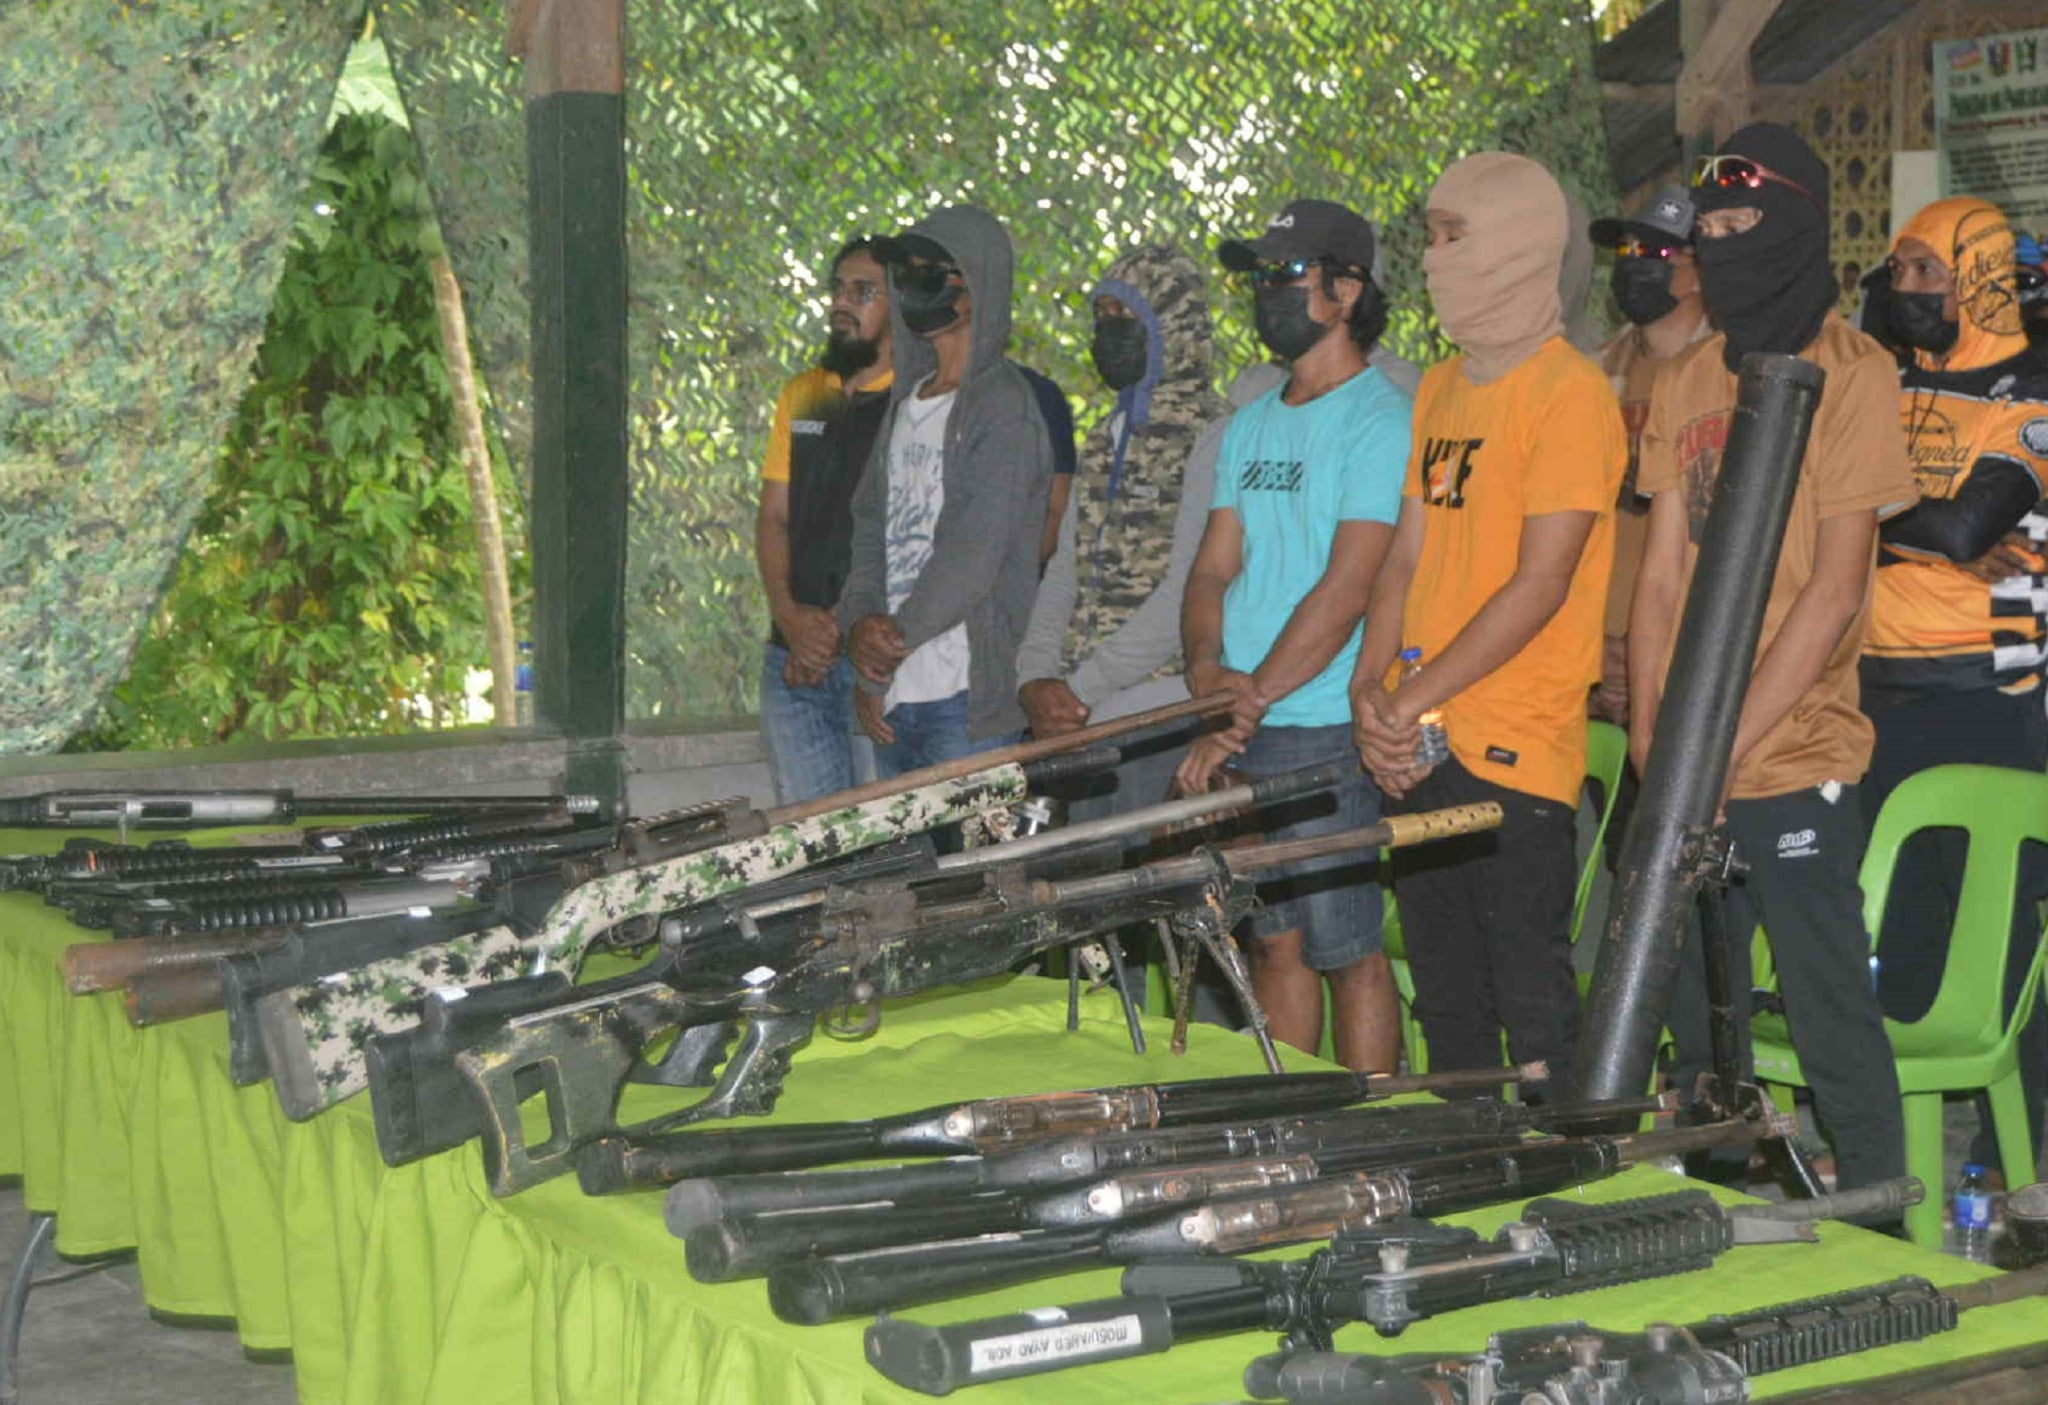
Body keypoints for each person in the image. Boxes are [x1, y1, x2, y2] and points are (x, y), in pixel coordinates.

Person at [1631, 123, 1913, 1190]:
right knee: (1690, 1022)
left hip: (1795, 752)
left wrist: (1718, 750)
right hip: (1688, 762)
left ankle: (1882, 1221)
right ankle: (1711, 1219)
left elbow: (1834, 592)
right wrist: (1656, 744)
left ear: (1796, 223)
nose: (1724, 245)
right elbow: (1659, 581)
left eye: (1746, 222)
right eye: (1709, 231)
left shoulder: (1854, 371)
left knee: (1823, 1001)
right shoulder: (1683, 379)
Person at [1351, 153, 1625, 1105]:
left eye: (1453, 236)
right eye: (1430, 236)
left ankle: (1574, 1176)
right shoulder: (1440, 387)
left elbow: (1541, 583)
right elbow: (1403, 557)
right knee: (1446, 997)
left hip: (1515, 748)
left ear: (1517, 244)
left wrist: (1406, 701)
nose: (1433, 257)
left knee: (1531, 999)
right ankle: (1465, 1170)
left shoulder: (1571, 393)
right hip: (1418, 743)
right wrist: (1369, 691)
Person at [1174, 200, 1410, 1071]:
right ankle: (1292, 1118)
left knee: (1347, 948)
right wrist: (1209, 675)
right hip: (1245, 714)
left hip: (1321, 721)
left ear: (1346, 291)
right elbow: (1211, 569)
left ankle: (1370, 1119)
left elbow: (1350, 587)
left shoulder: (1382, 420)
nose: (1265, 292)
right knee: (1273, 941)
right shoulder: (1250, 424)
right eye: (1259, 277)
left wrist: (1246, 705)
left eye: (1285, 274)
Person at [1862, 195, 2048, 1174]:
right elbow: (1832, 509)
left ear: (1978, 279)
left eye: (1926, 270)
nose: (1906, 288)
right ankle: (1906, 1157)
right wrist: (1906, 525)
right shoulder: (1883, 382)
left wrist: (1866, 519)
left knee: (1997, 936)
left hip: (1991, 695)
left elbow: (1969, 527)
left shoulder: (2033, 391)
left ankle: (2025, 1153)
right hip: (1876, 693)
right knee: (1901, 929)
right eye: (1897, 270)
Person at [837, 206, 1054, 775]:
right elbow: (869, 529)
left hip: (965, 699)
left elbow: (973, 555)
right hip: (895, 691)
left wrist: (886, 646)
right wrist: (861, 629)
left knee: (971, 839)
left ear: (977, 285)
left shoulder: (1003, 406)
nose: (912, 284)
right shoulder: (906, 406)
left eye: (930, 272)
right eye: (905, 271)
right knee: (902, 840)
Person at [1014, 245, 1228, 814]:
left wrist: (1077, 694)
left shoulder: (1215, 434)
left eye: (1126, 315)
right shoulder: (1105, 436)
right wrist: (1035, 680)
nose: (1108, 330)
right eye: (1101, 315)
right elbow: (1063, 571)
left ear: (1172, 328)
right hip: (1075, 716)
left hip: (1159, 711)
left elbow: (1188, 591)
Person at [751, 238, 894, 804]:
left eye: (863, 292)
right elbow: (773, 518)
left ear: (901, 307)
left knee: (882, 835)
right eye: (838, 289)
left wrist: (834, 632)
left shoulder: (915, 402)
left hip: (875, 662)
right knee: (809, 837)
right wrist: (791, 620)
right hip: (793, 660)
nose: (842, 303)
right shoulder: (804, 394)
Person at [1588, 185, 1709, 729]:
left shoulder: (1728, 377)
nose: (1635, 263)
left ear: (1699, 271)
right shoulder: (1594, 373)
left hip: (1684, 644)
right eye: (1627, 250)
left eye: (1657, 252)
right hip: (1592, 641)